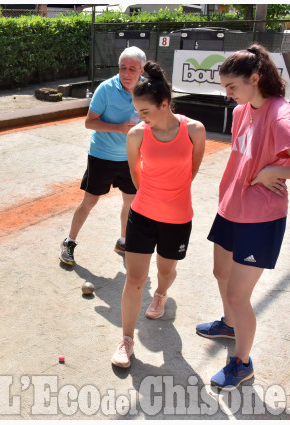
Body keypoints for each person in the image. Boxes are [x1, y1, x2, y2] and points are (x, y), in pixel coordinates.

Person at [195, 44, 290, 391]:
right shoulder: (241, 112)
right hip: (231, 208)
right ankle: (229, 324)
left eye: (232, 87)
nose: (228, 95)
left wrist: (270, 171)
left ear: (255, 78)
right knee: (220, 272)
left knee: (239, 294)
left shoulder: (279, 113)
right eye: (224, 88)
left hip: (261, 218)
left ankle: (242, 362)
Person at [111, 61, 206, 368]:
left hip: (178, 218)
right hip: (142, 215)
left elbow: (191, 171)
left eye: (146, 112)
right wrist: (154, 197)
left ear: (165, 104)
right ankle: (126, 340)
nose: (140, 118)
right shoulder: (137, 135)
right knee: (135, 279)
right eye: (137, 111)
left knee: (165, 273)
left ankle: (162, 294)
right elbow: (137, 178)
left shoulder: (194, 131)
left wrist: (171, 196)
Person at [59, 46, 146, 266]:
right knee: (89, 201)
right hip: (102, 156)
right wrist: (118, 128)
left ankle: (124, 241)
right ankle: (69, 242)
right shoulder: (105, 89)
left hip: (131, 157)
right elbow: (90, 122)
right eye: (122, 68)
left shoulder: (146, 91)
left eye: (132, 69)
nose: (126, 74)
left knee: (131, 201)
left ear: (142, 70)